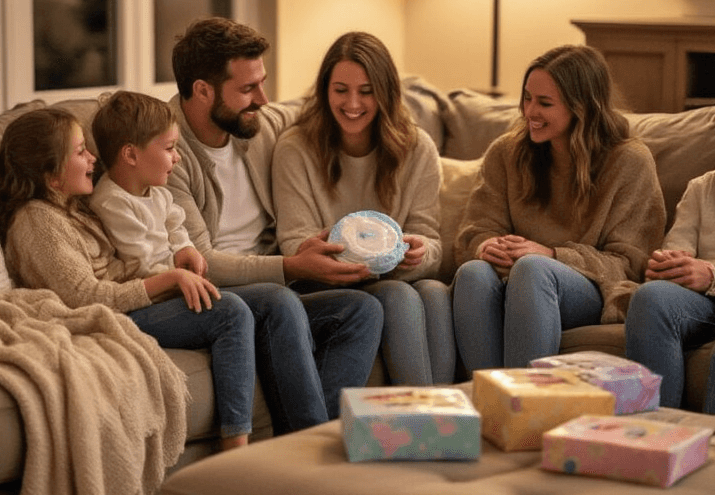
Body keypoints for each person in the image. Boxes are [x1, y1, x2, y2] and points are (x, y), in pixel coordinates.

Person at [0, 106, 342, 445]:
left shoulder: (69, 209)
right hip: (111, 314)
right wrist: (170, 280)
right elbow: (84, 296)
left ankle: (307, 435)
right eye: (81, 152)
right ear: (51, 174)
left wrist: (177, 266)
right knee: (229, 312)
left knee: (278, 301)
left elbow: (130, 258)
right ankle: (236, 444)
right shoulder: (37, 220)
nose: (93, 159)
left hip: (133, 300)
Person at [167, 17, 384, 418]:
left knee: (363, 309)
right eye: (248, 89)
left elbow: (332, 114)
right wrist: (291, 265)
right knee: (279, 301)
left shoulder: (259, 125)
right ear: (202, 90)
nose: (264, 100)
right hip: (214, 294)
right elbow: (204, 263)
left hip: (277, 280)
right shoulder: (165, 151)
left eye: (262, 83)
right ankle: (304, 448)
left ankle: (326, 437)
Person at [451, 44, 666, 373]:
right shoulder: (506, 152)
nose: (530, 112)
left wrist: (551, 255)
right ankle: (489, 403)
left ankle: (526, 408)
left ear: (582, 107)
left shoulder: (629, 161)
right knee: (472, 274)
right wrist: (486, 246)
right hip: (515, 276)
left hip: (592, 287)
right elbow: (473, 231)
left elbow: (632, 264)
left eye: (545, 103)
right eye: (527, 98)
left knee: (533, 270)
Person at [271, 31, 456, 385]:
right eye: (341, 90)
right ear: (325, 90)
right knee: (398, 294)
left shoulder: (417, 148)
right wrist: (357, 260)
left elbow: (430, 240)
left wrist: (418, 251)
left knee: (434, 292)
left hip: (395, 273)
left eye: (366, 91)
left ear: (385, 93)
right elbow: (295, 243)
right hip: (324, 283)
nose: (352, 103)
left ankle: (445, 414)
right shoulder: (295, 149)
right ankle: (422, 417)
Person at [625, 171, 715, 410]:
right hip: (701, 300)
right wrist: (671, 265)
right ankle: (657, 437)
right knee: (651, 297)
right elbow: (678, 246)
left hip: (709, 283)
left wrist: (711, 274)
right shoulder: (700, 187)